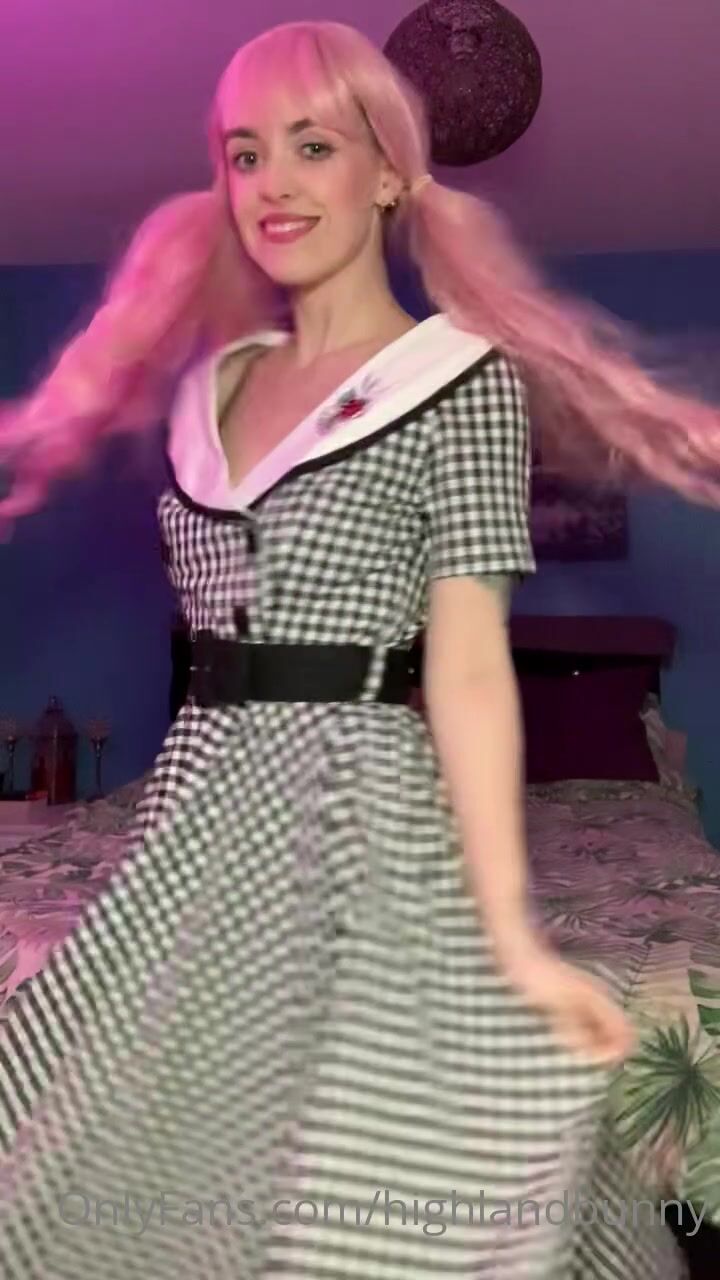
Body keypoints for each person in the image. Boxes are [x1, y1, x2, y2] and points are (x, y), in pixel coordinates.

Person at [0, 19, 713, 1279]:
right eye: (245, 153)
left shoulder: (460, 379)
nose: (272, 183)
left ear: (387, 172)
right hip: (190, 816)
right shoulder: (208, 390)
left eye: (313, 146)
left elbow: (471, 668)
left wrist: (511, 934)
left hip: (362, 809)